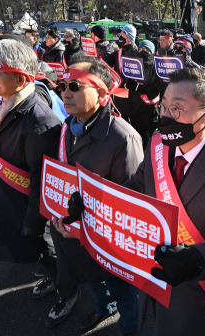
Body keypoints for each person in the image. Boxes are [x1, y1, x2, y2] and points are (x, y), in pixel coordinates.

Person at [67, 67, 205, 335]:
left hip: (194, 286)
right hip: (150, 268)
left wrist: (195, 260)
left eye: (177, 109)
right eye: (164, 106)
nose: (165, 116)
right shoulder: (158, 144)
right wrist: (93, 202)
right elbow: (136, 187)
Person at [46, 57, 143, 334]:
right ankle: (103, 308)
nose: (65, 92)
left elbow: (128, 203)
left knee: (120, 287)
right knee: (93, 278)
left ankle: (129, 327)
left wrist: (88, 208)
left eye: (75, 86)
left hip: (106, 238)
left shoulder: (123, 138)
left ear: (101, 94)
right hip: (76, 229)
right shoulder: (68, 126)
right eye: (63, 85)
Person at [0, 39, 61, 265]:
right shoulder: (5, 99)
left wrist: (33, 224)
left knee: (42, 251)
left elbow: (42, 182)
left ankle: (67, 291)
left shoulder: (40, 122)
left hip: (25, 208)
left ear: (20, 79)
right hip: (7, 199)